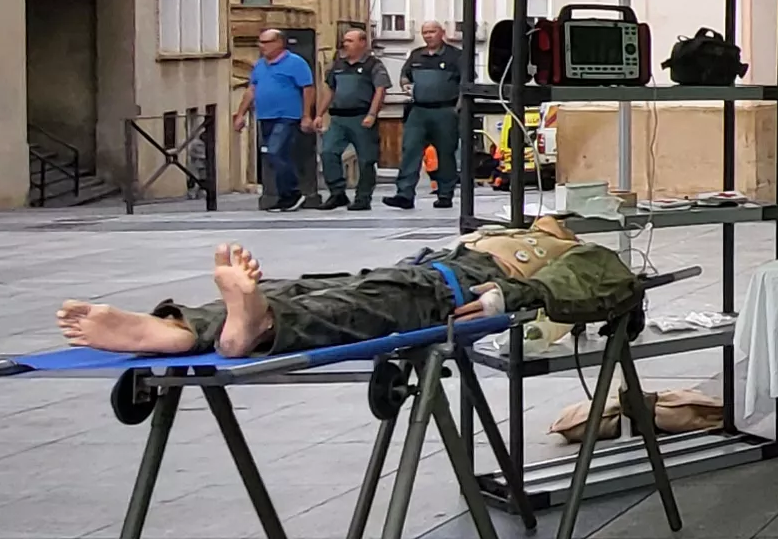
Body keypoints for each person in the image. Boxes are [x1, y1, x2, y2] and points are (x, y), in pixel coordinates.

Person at [54, 218, 635, 359]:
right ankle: (186, 327)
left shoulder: (577, 250)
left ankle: (252, 325)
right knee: (304, 287)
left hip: (450, 287)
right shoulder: (510, 234)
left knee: (355, 307)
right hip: (420, 270)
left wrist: (508, 299)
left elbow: (601, 278)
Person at [388, 22, 472, 210]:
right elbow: (405, 76)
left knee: (445, 153)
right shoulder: (416, 55)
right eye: (425, 32)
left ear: (442, 33)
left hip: (445, 110)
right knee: (410, 150)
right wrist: (405, 84)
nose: (428, 36)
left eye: (432, 32)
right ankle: (404, 194)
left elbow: (466, 84)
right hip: (418, 110)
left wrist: (458, 109)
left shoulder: (456, 56)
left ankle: (445, 194)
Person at [242, 30, 318, 212]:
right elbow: (251, 89)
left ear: (279, 43)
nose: (261, 46)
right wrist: (240, 114)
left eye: (266, 42)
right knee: (273, 155)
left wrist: (306, 115)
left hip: (287, 116)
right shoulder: (260, 65)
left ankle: (293, 192)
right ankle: (285, 195)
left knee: (275, 152)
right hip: (265, 116)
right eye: (259, 42)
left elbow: (308, 89)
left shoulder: (296, 63)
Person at [316, 28, 386, 211]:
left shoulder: (373, 65)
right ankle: (337, 193)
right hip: (338, 117)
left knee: (366, 160)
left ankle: (363, 197)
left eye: (349, 41)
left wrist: (372, 114)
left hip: (361, 117)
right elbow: (329, 90)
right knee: (328, 152)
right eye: (345, 41)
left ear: (362, 43)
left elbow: (380, 90)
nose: (345, 44)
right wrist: (319, 114)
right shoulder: (338, 65)